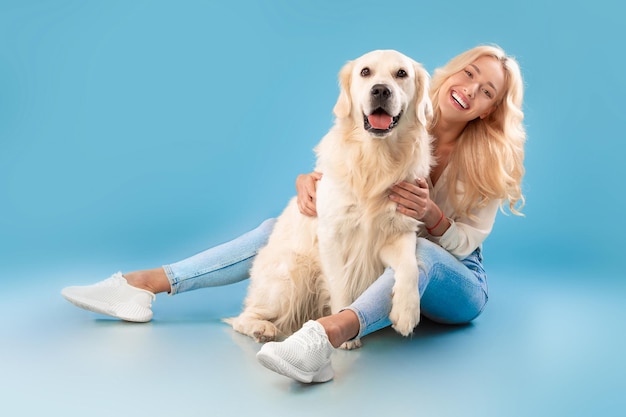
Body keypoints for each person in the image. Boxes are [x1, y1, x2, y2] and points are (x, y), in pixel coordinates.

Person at [61, 44, 526, 384]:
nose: (470, 90)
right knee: (287, 225)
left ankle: (325, 336)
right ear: (449, 75)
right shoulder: (396, 103)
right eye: (468, 74)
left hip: (457, 279)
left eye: (487, 92)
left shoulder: (488, 159)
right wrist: (313, 182)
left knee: (419, 251)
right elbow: (351, 168)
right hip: (392, 263)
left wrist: (432, 215)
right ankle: (144, 285)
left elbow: (466, 242)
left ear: (489, 111)